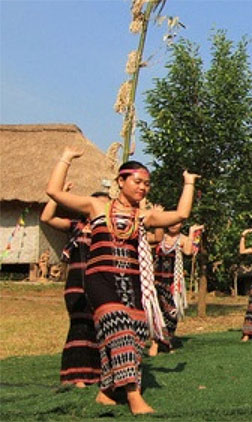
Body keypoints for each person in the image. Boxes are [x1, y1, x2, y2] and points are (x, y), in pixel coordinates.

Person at [46, 147, 198, 414]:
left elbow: (180, 216)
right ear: (121, 181)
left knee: (136, 334)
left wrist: (189, 183)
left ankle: (106, 390)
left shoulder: (143, 216)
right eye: (138, 182)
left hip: (133, 281)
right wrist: (66, 159)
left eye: (147, 184)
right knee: (119, 328)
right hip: (100, 278)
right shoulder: (97, 206)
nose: (143, 188)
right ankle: (133, 394)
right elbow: (54, 193)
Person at [40, 182, 108, 388]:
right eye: (98, 205)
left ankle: (97, 374)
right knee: (80, 326)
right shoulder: (76, 227)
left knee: (100, 328)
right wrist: (58, 196)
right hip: (77, 285)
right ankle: (77, 376)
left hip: (102, 285)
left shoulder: (110, 231)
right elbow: (47, 218)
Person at [149, 222, 203, 356]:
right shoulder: (160, 237)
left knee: (172, 314)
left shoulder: (183, 239)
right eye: (171, 223)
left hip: (174, 282)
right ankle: (155, 343)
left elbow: (188, 252)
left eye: (177, 223)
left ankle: (166, 342)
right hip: (156, 281)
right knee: (157, 312)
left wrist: (191, 233)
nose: (173, 226)